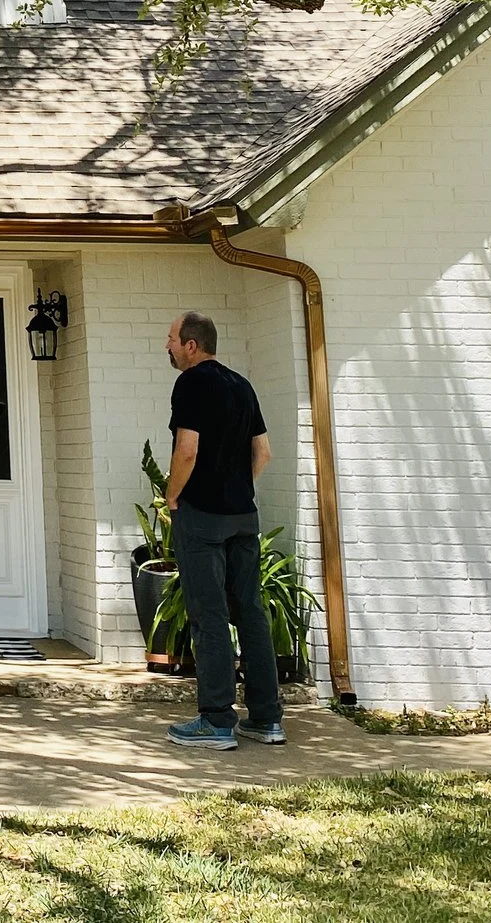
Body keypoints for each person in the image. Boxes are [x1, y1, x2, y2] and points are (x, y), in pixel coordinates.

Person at [161, 310, 286, 750]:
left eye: (173, 338)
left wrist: (173, 495)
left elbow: (187, 449)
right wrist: (236, 489)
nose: (168, 346)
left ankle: (215, 721)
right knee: (250, 612)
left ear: (192, 345)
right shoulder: (241, 385)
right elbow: (264, 452)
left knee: (209, 614)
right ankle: (266, 718)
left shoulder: (191, 383)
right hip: (242, 516)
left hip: (202, 517)